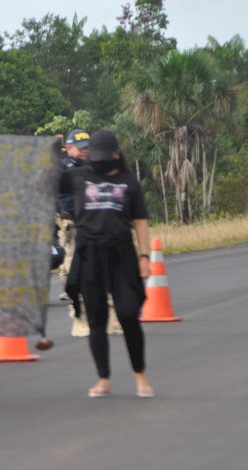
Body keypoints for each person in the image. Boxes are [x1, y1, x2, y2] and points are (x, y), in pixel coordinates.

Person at [59, 130, 155, 398]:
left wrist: (145, 256)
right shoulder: (77, 176)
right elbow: (45, 184)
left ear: (116, 154)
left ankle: (140, 376)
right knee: (97, 319)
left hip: (121, 254)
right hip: (88, 254)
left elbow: (140, 221)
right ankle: (104, 379)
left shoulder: (129, 181)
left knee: (127, 315)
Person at [57, 129, 89, 300]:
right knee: (74, 252)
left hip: (88, 219)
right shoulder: (63, 166)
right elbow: (62, 197)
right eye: (80, 147)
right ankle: (72, 288)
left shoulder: (91, 166)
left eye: (87, 147)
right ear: (69, 148)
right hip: (69, 217)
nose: (85, 150)